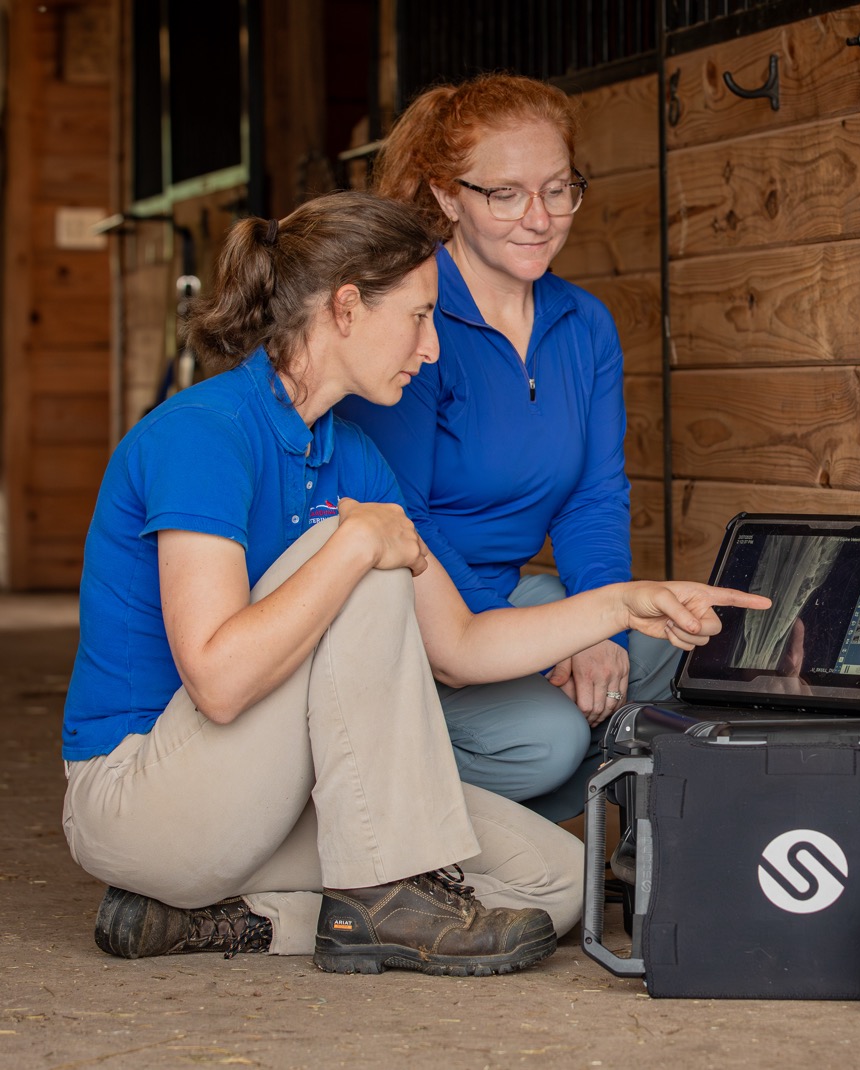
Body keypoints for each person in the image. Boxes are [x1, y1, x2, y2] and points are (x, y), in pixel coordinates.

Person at [60, 191, 768, 976]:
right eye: (420, 317)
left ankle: (223, 922)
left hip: (268, 800)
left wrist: (623, 603)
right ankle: (384, 890)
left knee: (556, 885)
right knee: (361, 560)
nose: (431, 349)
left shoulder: (352, 454)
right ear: (347, 307)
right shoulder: (205, 434)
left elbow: (460, 647)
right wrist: (354, 545)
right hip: (144, 798)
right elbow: (220, 682)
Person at [337, 73, 676, 821]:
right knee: (546, 738)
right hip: (406, 606)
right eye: (506, 193)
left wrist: (597, 623)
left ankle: (531, 844)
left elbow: (594, 497)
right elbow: (404, 519)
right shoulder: (417, 321)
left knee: (667, 651)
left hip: (510, 593)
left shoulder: (584, 325)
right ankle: (390, 824)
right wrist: (533, 640)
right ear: (448, 196)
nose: (539, 218)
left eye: (558, 190)